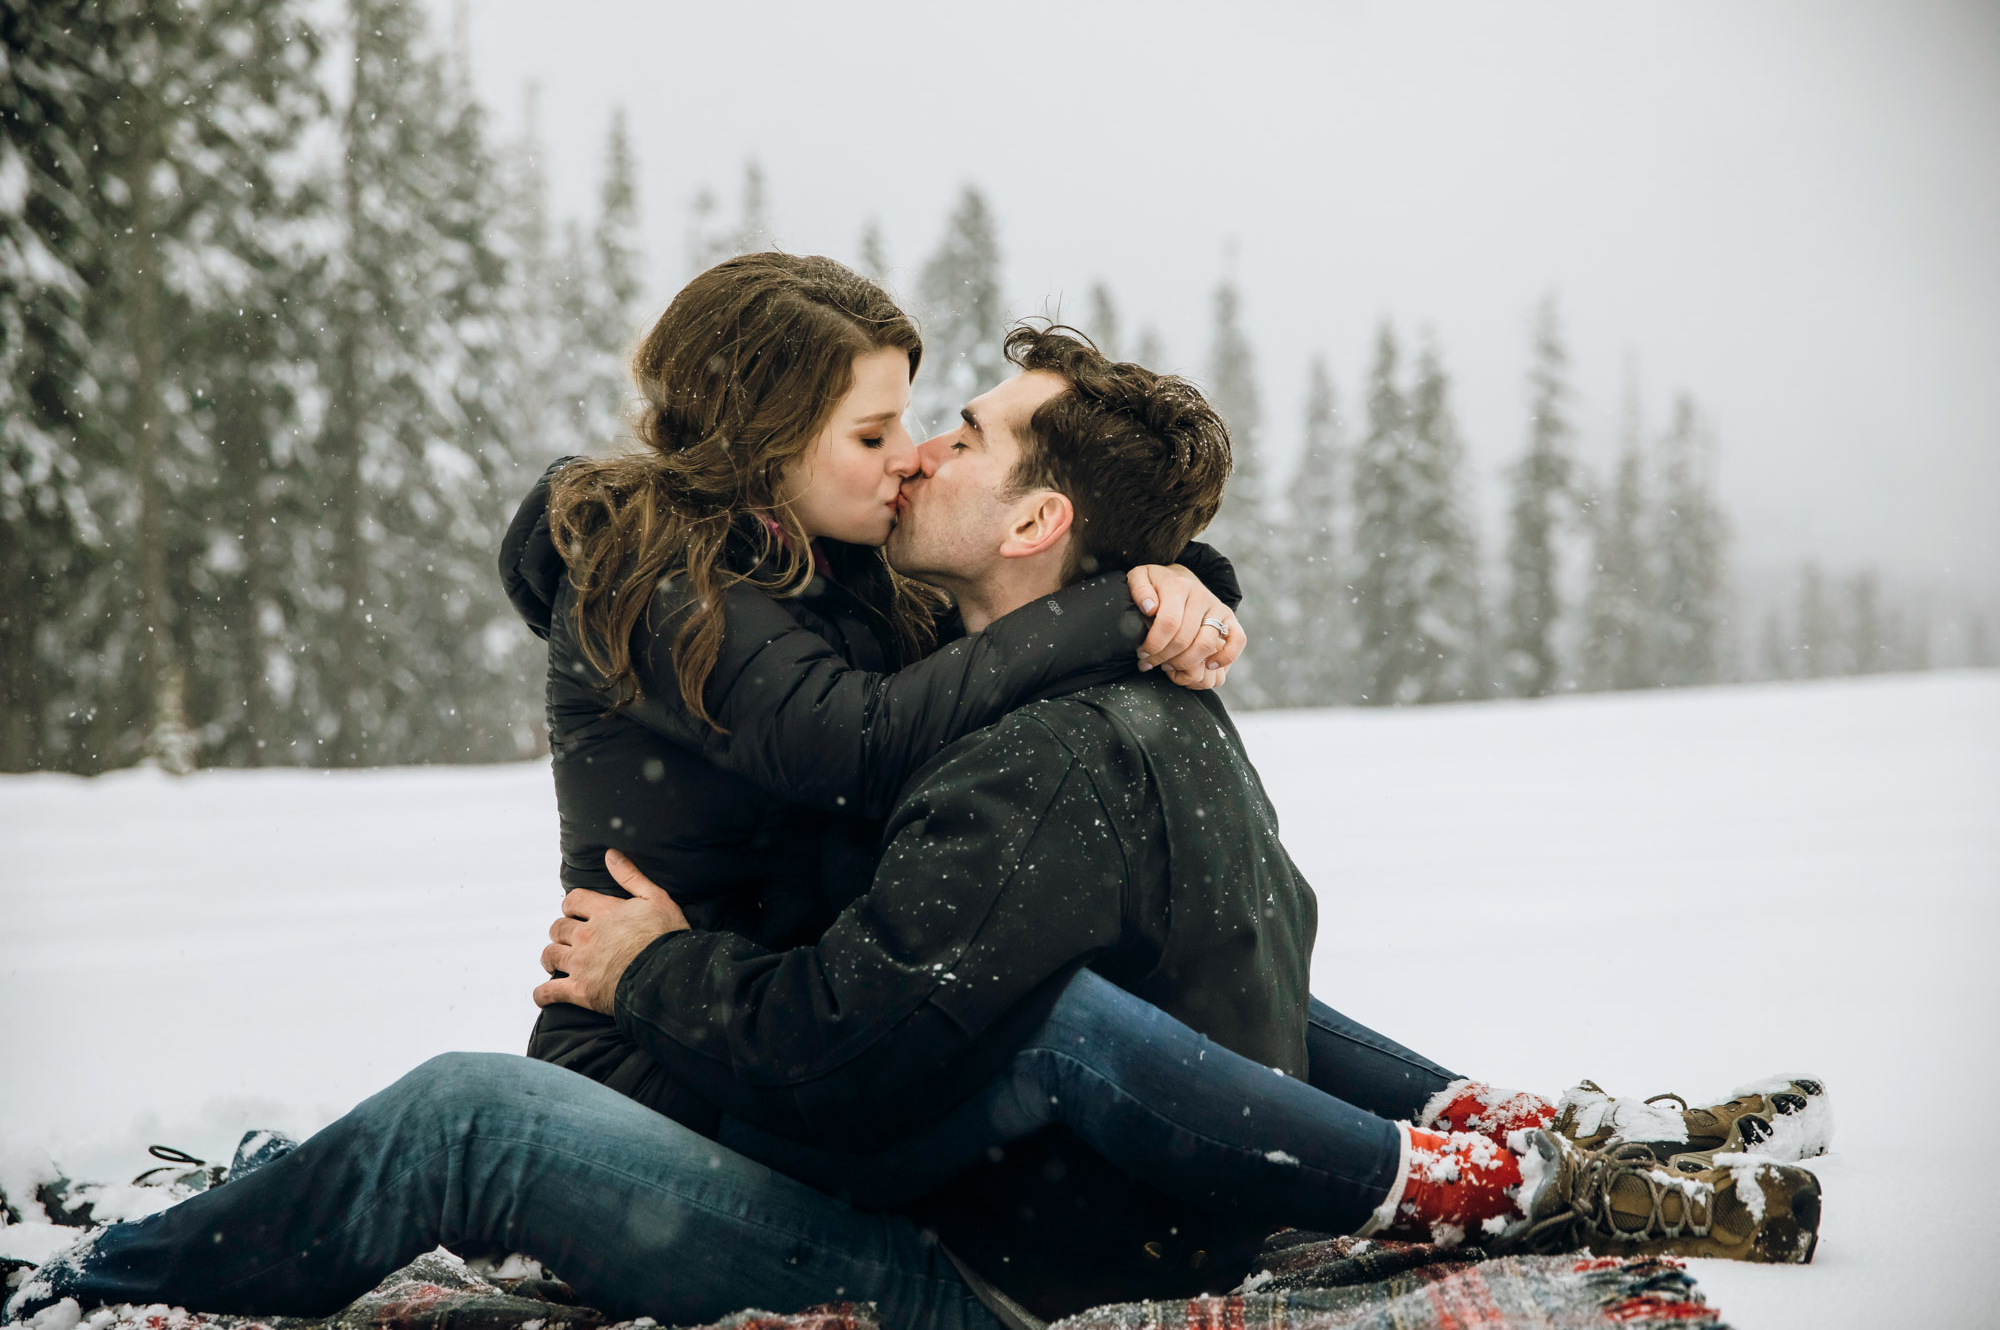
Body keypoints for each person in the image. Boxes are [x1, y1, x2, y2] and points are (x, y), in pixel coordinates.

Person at [7, 324, 1825, 1329]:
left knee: (469, 1116)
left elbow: (867, 1013)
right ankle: (1484, 1139)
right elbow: (801, 685)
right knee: (1040, 1009)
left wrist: (661, 968)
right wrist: (1141, 590)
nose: (918, 459)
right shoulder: (901, 636)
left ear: (1039, 532)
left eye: (949, 433)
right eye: (894, 429)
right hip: (844, 1121)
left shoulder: (1000, 701)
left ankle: (98, 1292)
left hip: (905, 1207)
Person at [498, 253, 1244, 1130]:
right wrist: (1118, 604)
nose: (910, 457)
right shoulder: (656, 576)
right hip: (651, 1055)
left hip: (783, 1028)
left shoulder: (840, 570)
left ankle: (1423, 1120)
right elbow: (858, 741)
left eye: (908, 422)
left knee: (1131, 988)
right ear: (765, 440)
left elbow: (1003, 627)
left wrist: (1176, 578)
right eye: (870, 434)